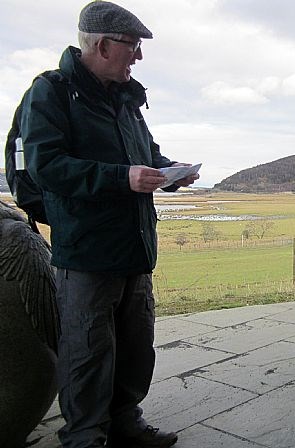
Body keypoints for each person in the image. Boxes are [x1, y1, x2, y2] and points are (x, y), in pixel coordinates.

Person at [20, 2, 197, 447]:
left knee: (136, 346)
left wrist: (169, 171)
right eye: (133, 46)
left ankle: (125, 421)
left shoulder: (127, 99)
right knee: (87, 352)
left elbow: (144, 156)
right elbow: (47, 166)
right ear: (102, 45)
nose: (137, 57)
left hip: (135, 248)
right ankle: (85, 437)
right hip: (86, 254)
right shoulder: (51, 93)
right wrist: (124, 178)